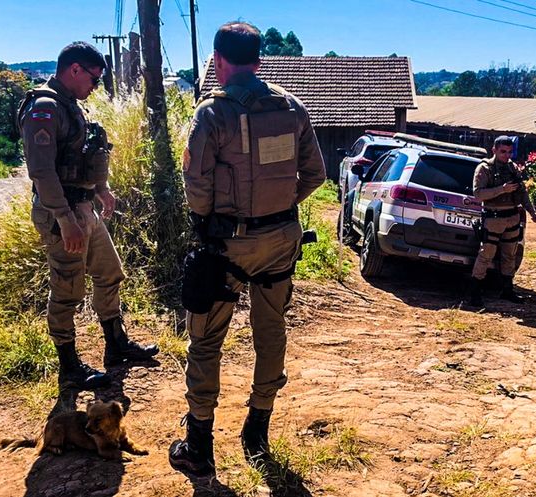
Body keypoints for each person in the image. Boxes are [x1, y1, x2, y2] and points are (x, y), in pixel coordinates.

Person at [169, 22, 326, 476]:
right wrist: (280, 207)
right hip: (281, 240)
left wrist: (211, 220)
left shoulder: (212, 114)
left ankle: (199, 444)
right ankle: (257, 429)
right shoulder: (292, 107)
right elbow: (315, 175)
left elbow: (196, 183)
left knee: (206, 339)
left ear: (218, 60)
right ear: (258, 60)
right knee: (271, 330)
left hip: (229, 244)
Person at [20, 42, 158, 391]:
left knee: (110, 273)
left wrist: (100, 189)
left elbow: (79, 157)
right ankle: (69, 367)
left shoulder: (69, 105)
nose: (95, 86)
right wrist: (65, 220)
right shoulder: (45, 107)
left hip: (84, 208)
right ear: (74, 70)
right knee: (67, 289)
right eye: (94, 79)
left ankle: (116, 345)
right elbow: (42, 172)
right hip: (62, 213)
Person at [467, 136, 536, 307]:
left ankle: (507, 290)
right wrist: (502, 189)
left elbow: (522, 192)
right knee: (486, 255)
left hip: (512, 217)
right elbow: (478, 194)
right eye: (503, 152)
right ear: (494, 150)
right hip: (494, 218)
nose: (507, 155)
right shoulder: (484, 168)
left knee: (510, 255)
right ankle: (475, 293)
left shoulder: (512, 168)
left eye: (509, 152)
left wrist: (531, 211)